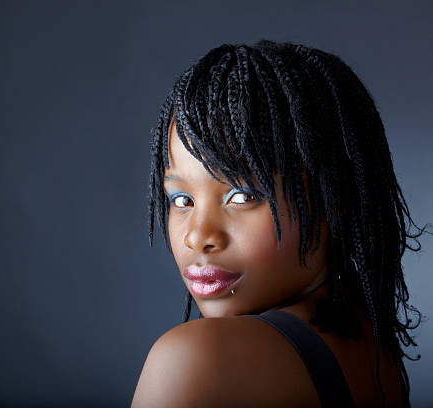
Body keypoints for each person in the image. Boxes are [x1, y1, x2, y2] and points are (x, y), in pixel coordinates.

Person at [131, 40, 427, 407]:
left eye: (242, 195)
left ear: (332, 198)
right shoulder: (372, 349)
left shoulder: (194, 359)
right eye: (182, 199)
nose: (198, 236)